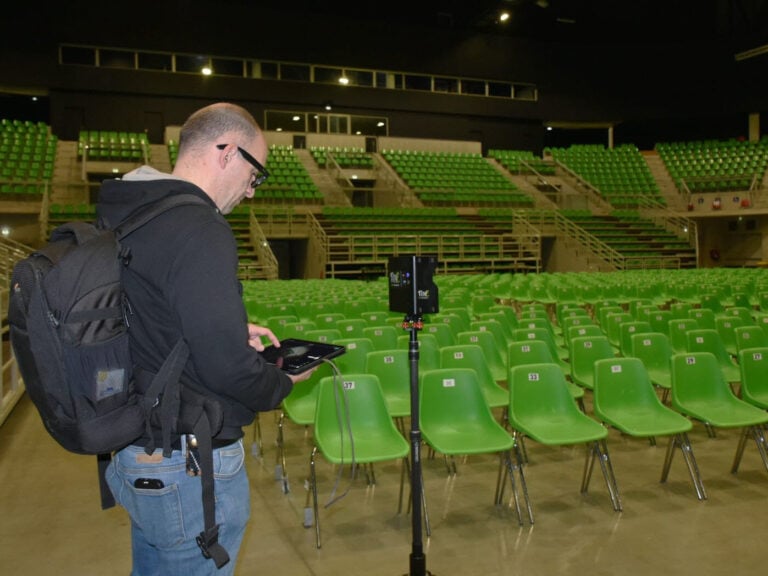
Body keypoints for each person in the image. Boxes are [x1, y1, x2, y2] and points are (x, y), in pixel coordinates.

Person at [101, 102, 314, 575]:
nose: (251, 191)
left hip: (141, 444)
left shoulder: (135, 212)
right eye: (254, 174)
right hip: (188, 460)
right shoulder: (199, 226)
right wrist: (282, 382)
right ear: (227, 151)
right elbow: (228, 368)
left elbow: (147, 314)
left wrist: (227, 330)